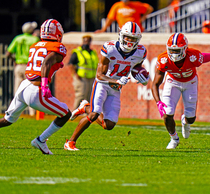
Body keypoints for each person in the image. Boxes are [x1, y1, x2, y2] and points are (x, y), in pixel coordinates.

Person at [0, 19, 72, 155]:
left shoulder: (35, 45)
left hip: (25, 85)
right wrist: (45, 85)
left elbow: (43, 62)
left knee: (7, 120)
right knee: (66, 114)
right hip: (36, 89)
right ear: (58, 34)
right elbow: (46, 62)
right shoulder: (58, 47)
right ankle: (41, 140)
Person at [64, 21, 150, 151]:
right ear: (121, 35)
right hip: (103, 84)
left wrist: (142, 76)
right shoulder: (110, 48)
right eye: (128, 37)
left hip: (116, 88)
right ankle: (70, 142)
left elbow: (136, 67)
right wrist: (116, 81)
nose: (130, 41)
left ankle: (85, 107)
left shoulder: (141, 52)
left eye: (133, 38)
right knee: (94, 114)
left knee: (108, 125)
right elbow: (99, 75)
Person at [151, 32, 210, 149]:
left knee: (191, 118)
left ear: (185, 49)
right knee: (167, 113)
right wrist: (158, 102)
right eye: (172, 50)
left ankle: (185, 121)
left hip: (190, 82)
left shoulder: (193, 56)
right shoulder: (163, 59)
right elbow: (155, 84)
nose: (174, 54)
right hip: (173, 82)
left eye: (177, 51)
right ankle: (174, 139)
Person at [7, 21, 40, 116]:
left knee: (17, 89)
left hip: (19, 65)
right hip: (30, 67)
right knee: (30, 89)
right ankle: (32, 112)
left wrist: (15, 60)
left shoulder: (18, 38)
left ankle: (13, 111)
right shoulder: (34, 39)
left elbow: (8, 53)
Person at [68, 35, 99, 110]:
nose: (86, 43)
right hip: (81, 77)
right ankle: (75, 112)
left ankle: (86, 114)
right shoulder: (77, 52)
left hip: (91, 77)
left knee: (89, 96)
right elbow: (71, 64)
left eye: (88, 41)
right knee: (81, 95)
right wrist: (75, 74)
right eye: (85, 41)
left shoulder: (93, 52)